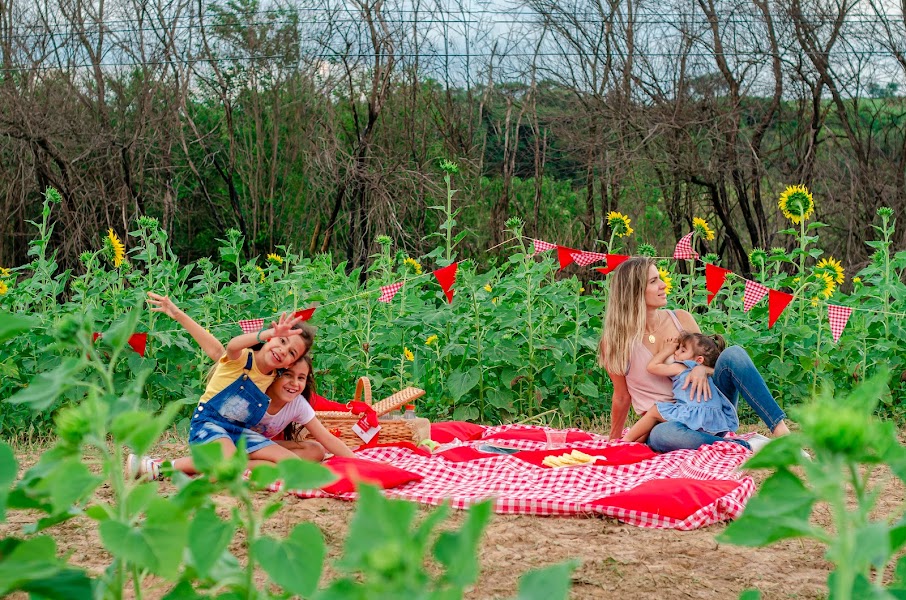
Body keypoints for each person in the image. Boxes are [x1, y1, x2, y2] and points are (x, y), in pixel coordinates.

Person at [128, 293, 353, 480]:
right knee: (229, 469)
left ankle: (215, 467)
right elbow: (229, 346)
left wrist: (358, 461)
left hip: (238, 433)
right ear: (270, 339)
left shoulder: (275, 375)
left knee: (290, 464)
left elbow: (322, 437)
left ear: (290, 363)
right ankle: (159, 467)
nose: (283, 350)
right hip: (209, 425)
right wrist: (269, 333)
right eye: (282, 341)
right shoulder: (242, 358)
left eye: (291, 353)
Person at [598, 257, 790, 453]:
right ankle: (746, 446)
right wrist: (613, 442)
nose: (664, 285)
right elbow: (621, 397)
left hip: (707, 409)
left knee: (734, 354)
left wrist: (702, 370)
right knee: (662, 435)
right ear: (634, 291)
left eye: (660, 278)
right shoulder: (615, 342)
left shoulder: (680, 319)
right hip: (669, 423)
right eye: (654, 281)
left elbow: (713, 364)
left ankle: (783, 435)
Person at [622, 332, 745, 447]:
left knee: (655, 411)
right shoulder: (705, 372)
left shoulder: (682, 367)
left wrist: (667, 350)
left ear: (699, 360)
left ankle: (625, 440)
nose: (676, 353)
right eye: (678, 349)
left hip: (693, 414)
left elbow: (652, 367)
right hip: (714, 420)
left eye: (682, 350)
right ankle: (727, 443)